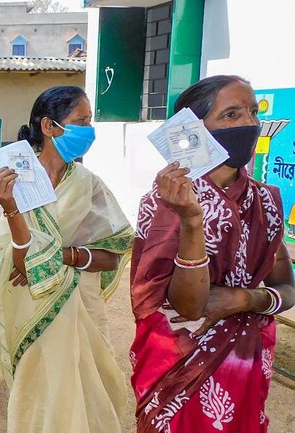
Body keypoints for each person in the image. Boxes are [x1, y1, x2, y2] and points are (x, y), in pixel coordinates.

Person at [130, 76, 295, 433]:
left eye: (252, 111)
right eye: (231, 114)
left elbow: (287, 288)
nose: (249, 123)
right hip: (177, 365)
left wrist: (247, 299)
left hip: (245, 361)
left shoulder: (264, 201)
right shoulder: (163, 204)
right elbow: (188, 307)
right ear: (193, 129)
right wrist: (191, 220)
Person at [0, 86, 134, 433]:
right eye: (80, 121)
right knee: (44, 390)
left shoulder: (88, 184)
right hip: (32, 308)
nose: (88, 130)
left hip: (81, 305)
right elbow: (17, 265)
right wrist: (13, 210)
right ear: (49, 126)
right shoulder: (15, 178)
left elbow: (113, 255)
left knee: (90, 386)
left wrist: (62, 256)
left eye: (89, 121)